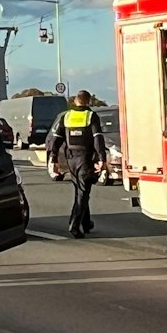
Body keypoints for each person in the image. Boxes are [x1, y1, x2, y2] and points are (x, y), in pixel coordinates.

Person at [44, 91, 107, 239]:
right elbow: (98, 139)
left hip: (70, 159)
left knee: (81, 189)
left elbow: (56, 139)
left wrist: (53, 159)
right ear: (88, 101)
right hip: (85, 158)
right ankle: (74, 225)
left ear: (75, 102)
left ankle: (86, 223)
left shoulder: (67, 116)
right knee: (82, 192)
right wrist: (102, 158)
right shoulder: (91, 116)